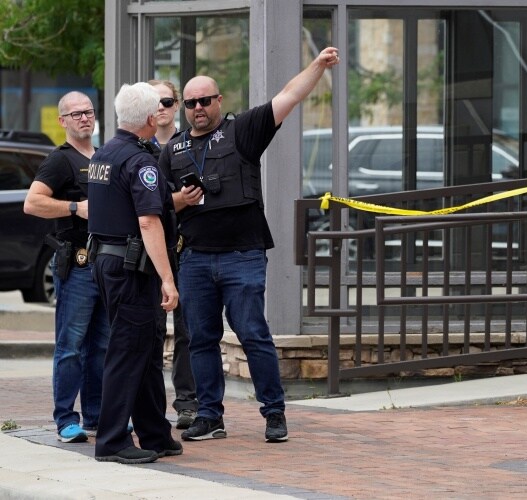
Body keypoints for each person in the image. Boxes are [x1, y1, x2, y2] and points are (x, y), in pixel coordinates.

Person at [158, 47, 341, 443]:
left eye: (205, 100)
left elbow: (289, 96)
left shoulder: (242, 130)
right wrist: (181, 199)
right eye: (190, 103)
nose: (198, 108)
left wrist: (316, 65)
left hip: (243, 255)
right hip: (195, 258)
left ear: (219, 100)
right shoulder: (172, 150)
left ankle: (274, 413)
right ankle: (210, 416)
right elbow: (157, 203)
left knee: (253, 334)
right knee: (201, 339)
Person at [87, 82, 182, 464]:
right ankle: (111, 441)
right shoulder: (140, 162)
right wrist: (167, 279)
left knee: (142, 350)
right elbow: (148, 221)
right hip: (131, 269)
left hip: (109, 264)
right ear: (149, 118)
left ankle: (155, 433)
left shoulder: (104, 153)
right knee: (128, 352)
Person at [23, 91, 110, 443]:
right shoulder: (59, 160)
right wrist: (75, 208)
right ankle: (65, 419)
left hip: (105, 263)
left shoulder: (103, 156)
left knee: (100, 346)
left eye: (88, 112)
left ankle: (96, 416)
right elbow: (32, 202)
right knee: (71, 345)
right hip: (76, 265)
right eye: (76, 114)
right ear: (62, 121)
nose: (84, 118)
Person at [148, 78, 198, 430]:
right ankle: (150, 406)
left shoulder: (189, 145)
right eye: (154, 103)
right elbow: (150, 206)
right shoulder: (139, 149)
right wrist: (178, 200)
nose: (161, 108)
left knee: (188, 330)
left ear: (176, 105)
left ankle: (187, 403)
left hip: (187, 248)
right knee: (150, 330)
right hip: (151, 251)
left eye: (167, 101)